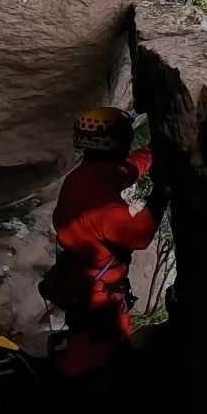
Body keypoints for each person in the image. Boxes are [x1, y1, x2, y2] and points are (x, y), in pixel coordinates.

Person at [40, 106, 166, 378]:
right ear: (119, 142)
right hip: (98, 294)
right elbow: (139, 235)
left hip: (82, 279)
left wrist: (154, 153)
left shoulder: (85, 175)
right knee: (95, 356)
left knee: (96, 345)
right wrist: (162, 194)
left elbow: (127, 169)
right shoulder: (100, 205)